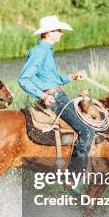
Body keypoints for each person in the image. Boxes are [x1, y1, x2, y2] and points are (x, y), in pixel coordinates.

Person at [18, 15, 95, 165]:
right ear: (49, 33)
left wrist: (72, 76)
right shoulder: (40, 52)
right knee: (87, 132)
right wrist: (43, 96)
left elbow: (51, 80)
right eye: (58, 30)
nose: (61, 33)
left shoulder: (46, 51)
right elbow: (23, 79)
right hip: (55, 98)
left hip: (58, 94)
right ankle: (75, 178)